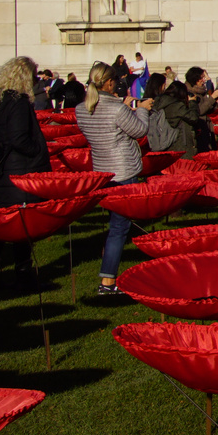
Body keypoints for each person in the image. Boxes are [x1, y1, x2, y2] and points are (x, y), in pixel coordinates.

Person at [76, 61, 152, 296]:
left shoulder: (82, 109)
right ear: (109, 83)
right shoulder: (116, 110)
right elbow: (139, 131)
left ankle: (107, 266)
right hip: (123, 170)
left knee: (115, 224)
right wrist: (142, 109)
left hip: (102, 171)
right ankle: (107, 280)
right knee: (119, 228)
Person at [0, 56, 52, 292]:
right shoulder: (17, 101)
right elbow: (19, 138)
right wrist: (38, 149)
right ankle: (23, 274)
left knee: (0, 226)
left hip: (0, 169)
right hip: (19, 170)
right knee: (21, 226)